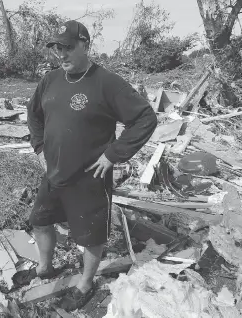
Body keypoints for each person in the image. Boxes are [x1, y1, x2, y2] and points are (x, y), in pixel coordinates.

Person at [19, 20, 158, 310]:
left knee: (91, 235)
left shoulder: (107, 83)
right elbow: (34, 115)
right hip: (53, 172)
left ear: (86, 45)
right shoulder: (51, 80)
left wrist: (113, 155)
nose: (61, 55)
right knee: (40, 221)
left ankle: (85, 282)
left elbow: (145, 118)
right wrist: (39, 147)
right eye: (57, 49)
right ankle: (44, 268)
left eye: (68, 48)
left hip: (89, 177)